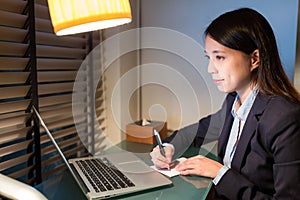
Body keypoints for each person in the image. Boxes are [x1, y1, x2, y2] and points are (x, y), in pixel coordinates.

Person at [150, 8, 300, 199]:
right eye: (209, 57)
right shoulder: (234, 101)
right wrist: (167, 148)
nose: (210, 69)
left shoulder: (285, 118)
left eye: (219, 57)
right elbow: (196, 132)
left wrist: (220, 174)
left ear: (254, 59)